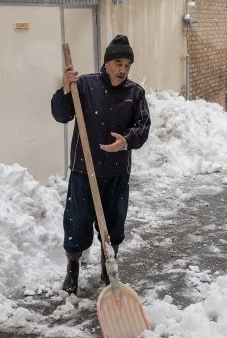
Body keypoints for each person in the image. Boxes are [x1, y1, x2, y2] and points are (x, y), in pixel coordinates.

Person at [51, 35, 151, 295]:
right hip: (84, 170)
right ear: (106, 63)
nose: (123, 70)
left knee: (114, 223)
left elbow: (143, 128)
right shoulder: (83, 85)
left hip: (117, 172)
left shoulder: (135, 93)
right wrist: (64, 89)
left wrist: (126, 140)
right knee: (77, 222)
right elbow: (61, 115)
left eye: (128, 65)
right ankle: (72, 267)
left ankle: (109, 266)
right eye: (118, 63)